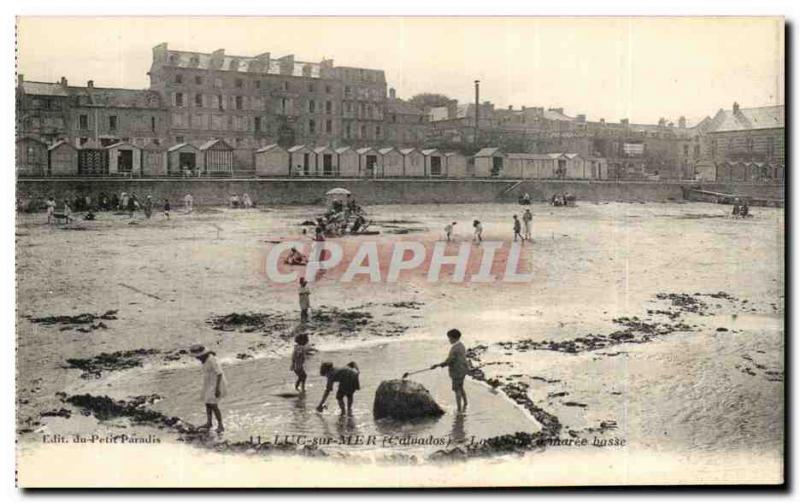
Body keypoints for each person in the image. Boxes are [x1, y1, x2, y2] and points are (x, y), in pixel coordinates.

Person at [190, 344, 228, 433]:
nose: (197, 358)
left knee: (214, 405)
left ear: (202, 355)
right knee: (207, 403)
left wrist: (217, 389)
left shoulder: (212, 359)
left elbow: (219, 374)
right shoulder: (204, 359)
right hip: (209, 383)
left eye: (197, 357)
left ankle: (220, 425)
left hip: (216, 384)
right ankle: (209, 422)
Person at [431, 328, 470, 413]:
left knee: (457, 390)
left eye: (449, 338)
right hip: (463, 370)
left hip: (457, 372)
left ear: (453, 338)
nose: (449, 340)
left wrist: (438, 365)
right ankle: (466, 403)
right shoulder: (461, 345)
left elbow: (449, 361)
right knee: (461, 387)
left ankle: (459, 409)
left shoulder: (454, 349)